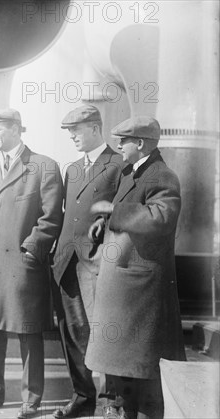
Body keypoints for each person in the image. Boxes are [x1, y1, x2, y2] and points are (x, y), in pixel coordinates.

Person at [0, 108, 63, 418]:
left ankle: (31, 398)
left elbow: (51, 217)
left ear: (18, 130)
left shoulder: (43, 166)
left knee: (28, 333)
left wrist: (31, 250)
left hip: (22, 265)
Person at [85, 116, 185, 419]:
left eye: (123, 140)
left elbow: (160, 218)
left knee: (142, 369)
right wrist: (104, 224)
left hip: (140, 293)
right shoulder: (135, 172)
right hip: (126, 290)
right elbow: (131, 215)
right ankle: (118, 410)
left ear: (140, 144)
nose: (118, 145)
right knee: (123, 366)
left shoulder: (162, 175)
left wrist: (114, 211)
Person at [51, 105, 124, 418]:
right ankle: (83, 397)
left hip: (98, 264)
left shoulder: (120, 164)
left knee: (102, 333)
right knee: (72, 333)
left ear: (95, 128)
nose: (71, 136)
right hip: (67, 263)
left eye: (76, 130)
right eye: (69, 131)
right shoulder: (72, 169)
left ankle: (111, 402)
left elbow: (123, 214)